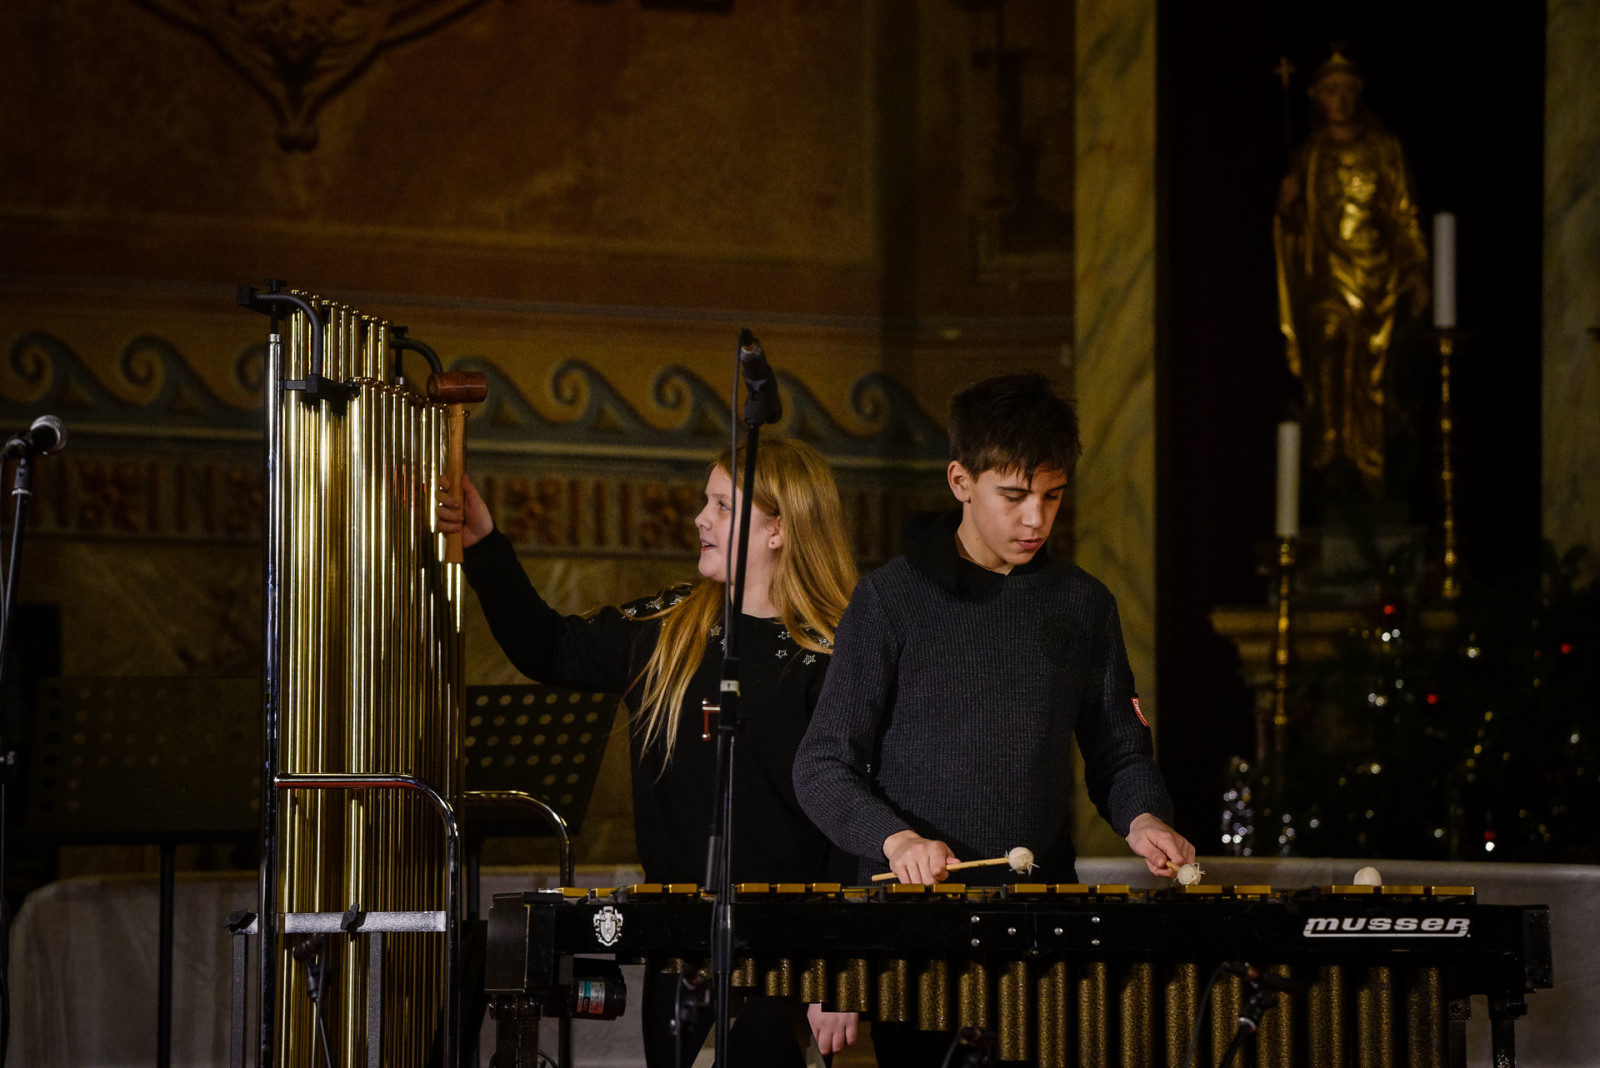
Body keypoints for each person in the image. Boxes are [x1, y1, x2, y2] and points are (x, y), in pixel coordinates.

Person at [790, 372, 1194, 1065]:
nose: (1036, 519)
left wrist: (1144, 817)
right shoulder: (889, 601)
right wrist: (895, 841)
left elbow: (1119, 752)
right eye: (1014, 496)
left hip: (1040, 925)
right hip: (915, 932)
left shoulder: (1084, 605)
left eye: (1052, 496)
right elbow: (823, 765)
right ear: (960, 481)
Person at [437, 436, 861, 1066]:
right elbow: (548, 647)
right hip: (677, 941)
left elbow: (851, 821)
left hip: (790, 947)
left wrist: (838, 969)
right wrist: (484, 546)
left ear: (779, 530)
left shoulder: (836, 653)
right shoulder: (667, 628)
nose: (700, 518)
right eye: (706, 502)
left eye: (723, 505)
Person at [1274, 48, 1430, 496]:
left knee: (1374, 370)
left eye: (1347, 90)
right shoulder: (1309, 155)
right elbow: (1297, 231)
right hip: (1327, 279)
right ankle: (1330, 449)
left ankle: (1372, 462)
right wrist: (1287, 208)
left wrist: (1416, 269)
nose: (1340, 100)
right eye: (1331, 91)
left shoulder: (1383, 147)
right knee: (1327, 341)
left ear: (1358, 93)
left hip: (1377, 277)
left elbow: (1403, 213)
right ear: (1316, 97)